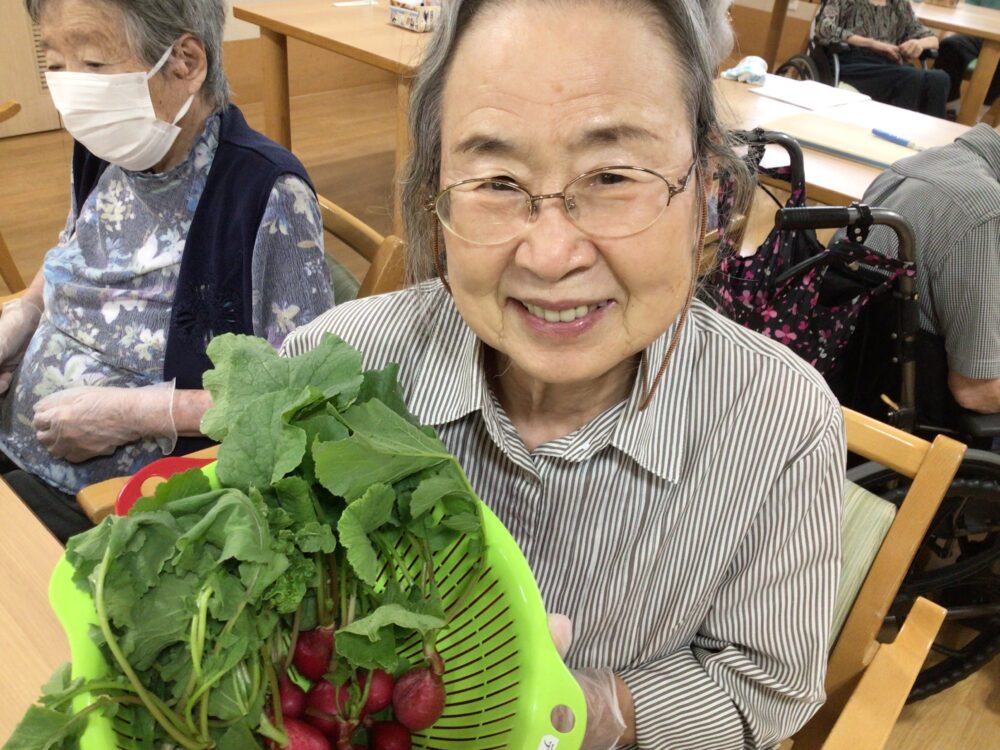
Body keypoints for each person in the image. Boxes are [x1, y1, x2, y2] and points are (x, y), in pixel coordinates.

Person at [283, 1, 845, 747]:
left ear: (708, 186)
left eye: (613, 175)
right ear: (434, 193)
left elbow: (763, 686)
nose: (550, 257)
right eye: (497, 182)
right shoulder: (332, 370)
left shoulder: (781, 422)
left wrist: (586, 708)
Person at [0, 0, 335, 542]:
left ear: (184, 62)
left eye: (92, 63)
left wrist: (141, 412)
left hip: (101, 500)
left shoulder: (264, 196)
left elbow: (303, 396)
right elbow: (75, 246)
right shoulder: (108, 146)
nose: (69, 93)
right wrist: (26, 312)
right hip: (17, 430)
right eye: (54, 64)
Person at [848, 124, 1000, 419]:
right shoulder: (986, 211)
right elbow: (976, 390)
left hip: (851, 384)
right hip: (914, 419)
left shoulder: (912, 166)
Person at [815, 0, 948, 117]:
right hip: (853, 62)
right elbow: (823, 28)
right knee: (911, 77)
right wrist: (873, 44)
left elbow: (933, 39)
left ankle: (933, 141)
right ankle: (898, 134)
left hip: (891, 64)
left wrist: (918, 44)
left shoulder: (899, 4)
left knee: (940, 79)